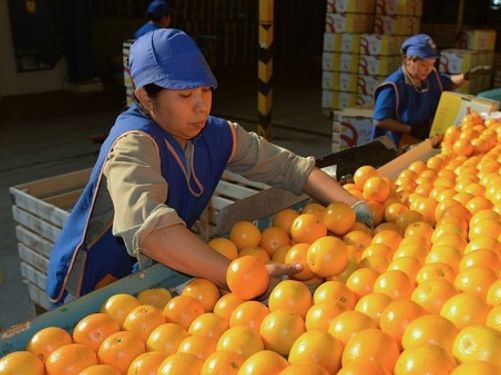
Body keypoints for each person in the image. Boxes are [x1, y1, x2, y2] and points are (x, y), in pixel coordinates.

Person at [47, 29, 373, 305]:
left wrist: (354, 207)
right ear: (146, 98)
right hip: (97, 283)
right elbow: (149, 229)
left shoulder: (215, 134)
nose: (201, 106)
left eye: (206, 90)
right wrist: (242, 276)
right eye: (186, 95)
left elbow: (291, 168)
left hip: (159, 274)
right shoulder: (133, 143)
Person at [372, 34, 490, 147]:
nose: (428, 69)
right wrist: (411, 129)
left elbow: (449, 83)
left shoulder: (431, 76)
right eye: (424, 64)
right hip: (396, 144)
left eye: (432, 64)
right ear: (409, 60)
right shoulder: (393, 86)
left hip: (423, 141)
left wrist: (467, 76)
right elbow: (380, 120)